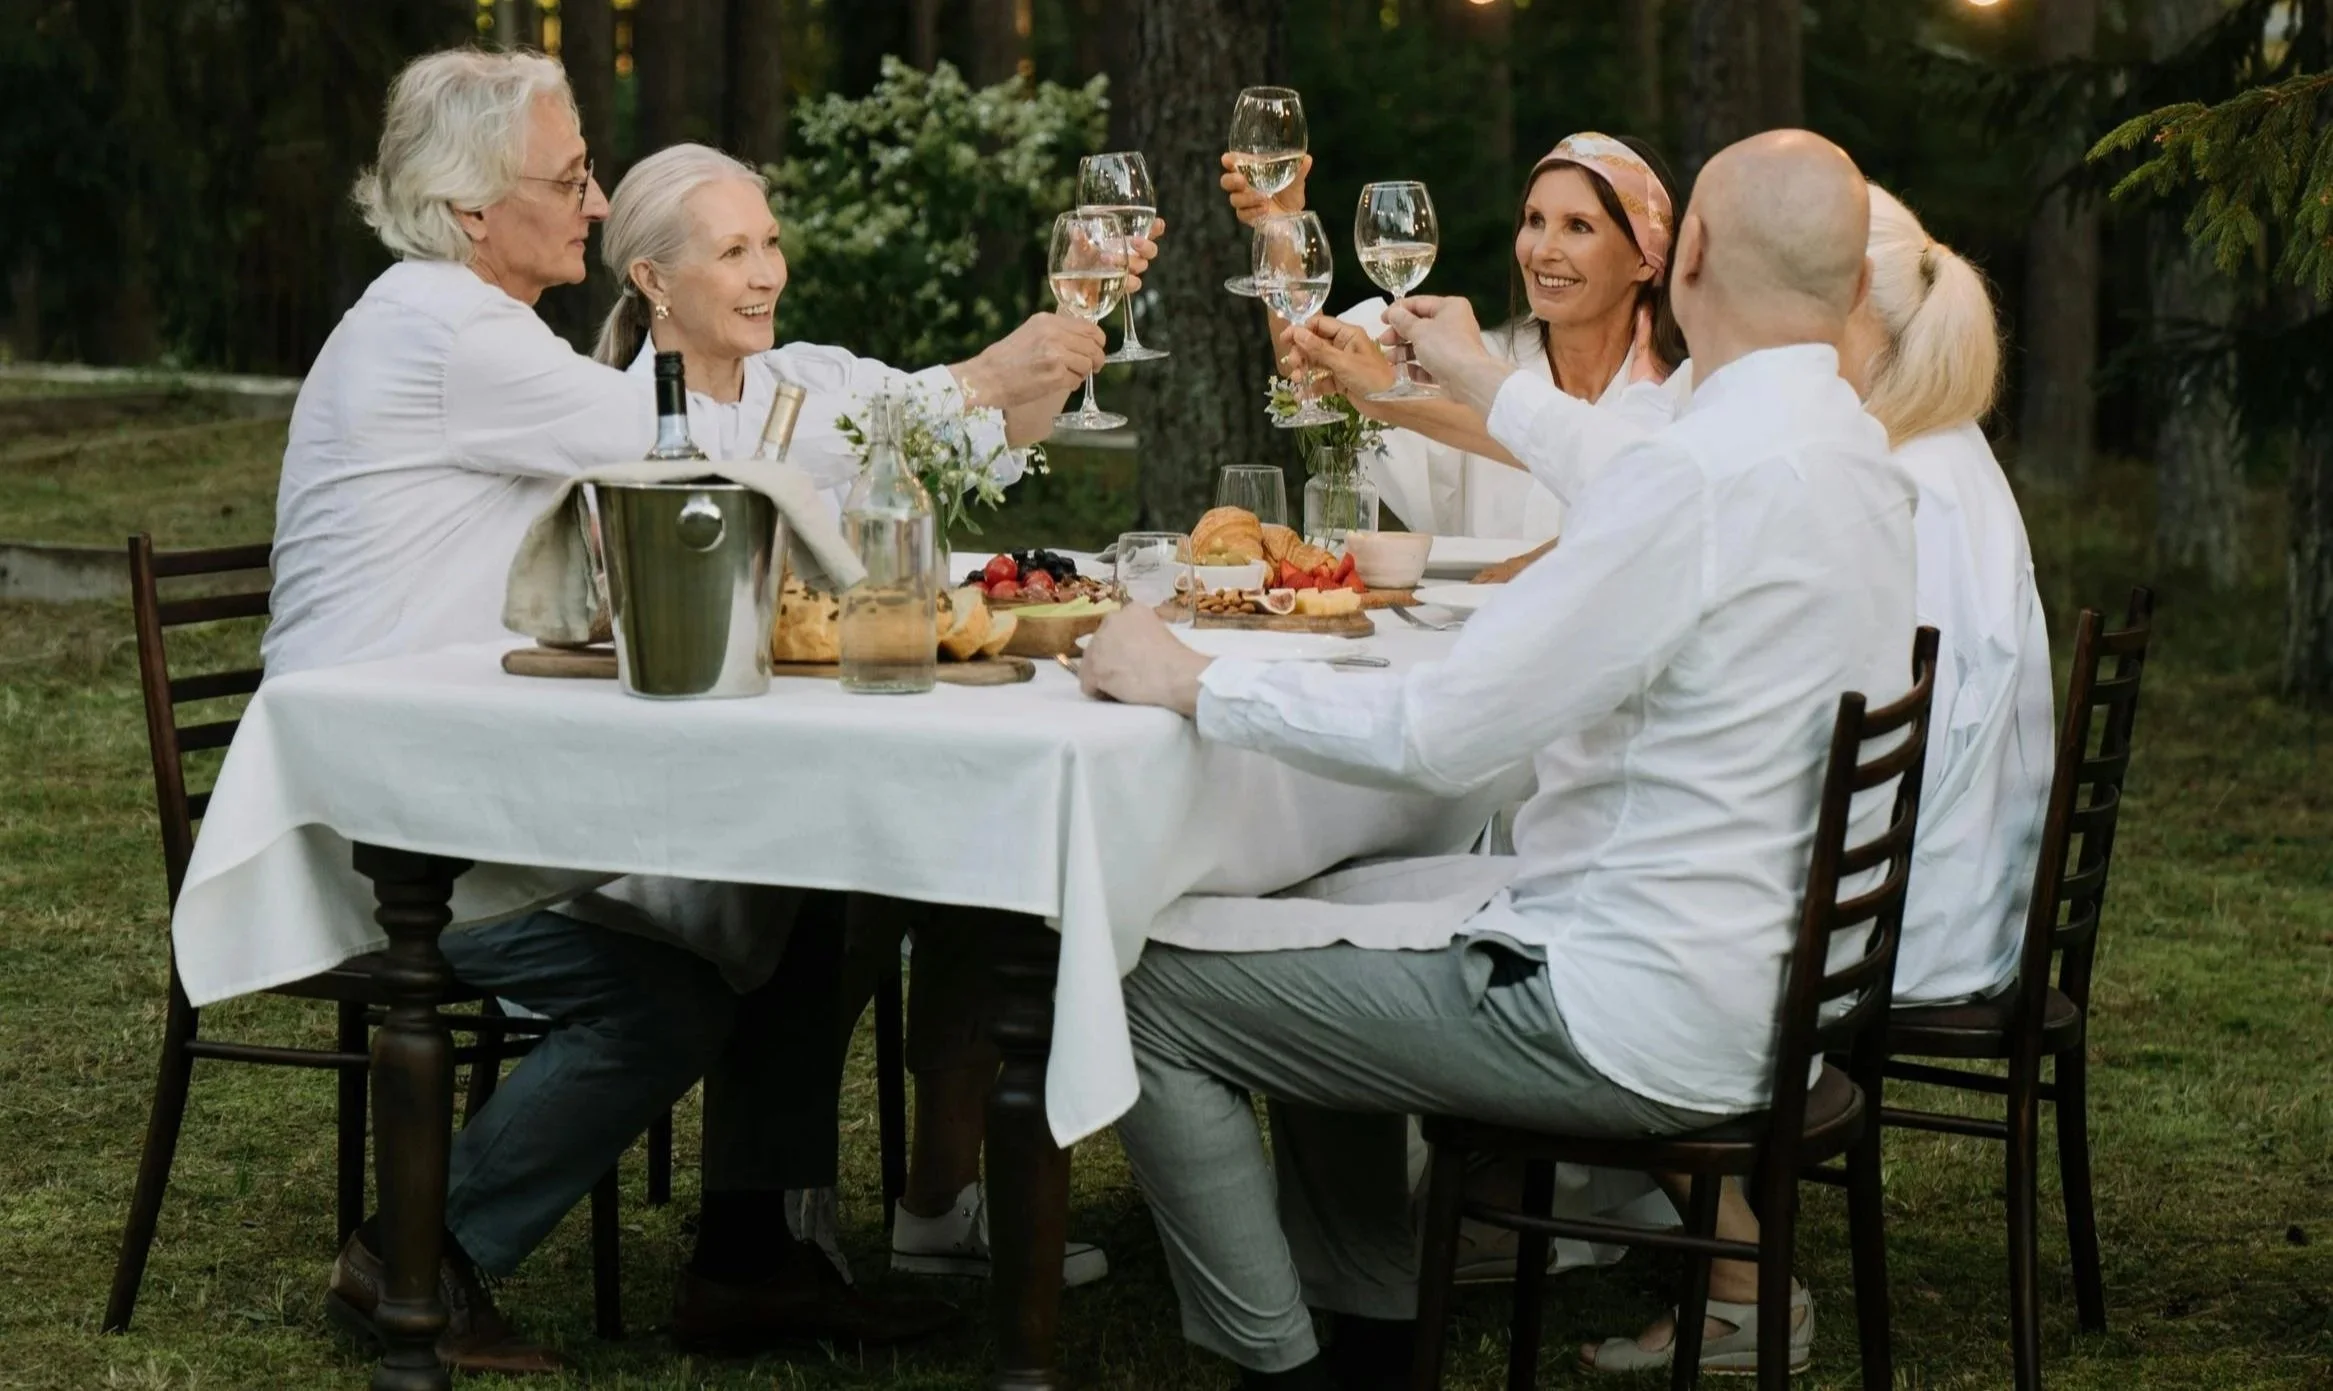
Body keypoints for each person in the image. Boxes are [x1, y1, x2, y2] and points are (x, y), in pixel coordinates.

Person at [1078, 130, 1915, 1388]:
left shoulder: (1692, 477)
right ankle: (1369, 1323)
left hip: (1626, 1005)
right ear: (1851, 287)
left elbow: (1443, 735)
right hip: (1770, 993)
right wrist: (1481, 375)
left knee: (1138, 987)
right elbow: (1629, 470)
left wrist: (1193, 681)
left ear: (1681, 255)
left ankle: (1285, 1364)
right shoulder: (1845, 450)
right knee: (1287, 912)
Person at [268, 49, 949, 1371]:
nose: (592, 202)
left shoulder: (455, 324)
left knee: (807, 891)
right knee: (665, 1001)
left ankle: (750, 1258)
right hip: (389, 815)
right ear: (472, 211)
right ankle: (416, 1253)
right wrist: (951, 401)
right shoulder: (454, 331)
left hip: (451, 764)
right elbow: (689, 449)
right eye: (569, 179)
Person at [1394, 182, 2055, 1371]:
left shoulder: (1891, 482)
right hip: (1920, 879)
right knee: (1632, 858)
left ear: (1840, 306)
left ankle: (1641, 1225)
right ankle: (1600, 1197)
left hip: (1896, 915)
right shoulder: (1910, 453)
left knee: (1627, 879)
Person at [589, 142, 1141, 1289]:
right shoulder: (623, 413)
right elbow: (930, 408)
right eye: (733, 251)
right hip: (672, 784)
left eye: (771, 242)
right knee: (845, 896)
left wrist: (1082, 312)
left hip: (821, 757)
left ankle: (928, 1205)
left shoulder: (808, 373)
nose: (766, 272)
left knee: (980, 875)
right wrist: (989, 370)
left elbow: (974, 423)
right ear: (650, 280)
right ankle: (767, 1236)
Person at [1220, 132, 1685, 548]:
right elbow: (1307, 358)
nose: (1542, 250)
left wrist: (1382, 394)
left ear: (1646, 260)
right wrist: (1281, 227)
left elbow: (1625, 479)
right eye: (1534, 220)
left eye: (1578, 226)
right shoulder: (1478, 355)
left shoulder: (1680, 395)